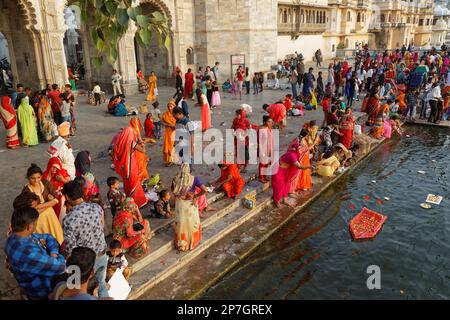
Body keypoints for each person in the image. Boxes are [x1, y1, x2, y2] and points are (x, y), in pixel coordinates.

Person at [5, 207, 65, 300]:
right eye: (35, 224)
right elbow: (61, 266)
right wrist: (55, 255)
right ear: (29, 227)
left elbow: (48, 237)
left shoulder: (14, 237)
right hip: (41, 293)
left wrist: (53, 253)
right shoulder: (29, 254)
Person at [62, 181, 109, 298]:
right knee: (102, 283)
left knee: (79, 291)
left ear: (67, 197)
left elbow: (70, 249)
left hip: (85, 263)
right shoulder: (97, 208)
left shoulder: (68, 219)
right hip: (102, 254)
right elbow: (102, 228)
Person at [20, 164, 64, 244]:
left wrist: (40, 206)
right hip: (38, 219)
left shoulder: (45, 183)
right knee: (42, 241)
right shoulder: (26, 190)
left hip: (50, 216)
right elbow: (31, 209)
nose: (36, 181)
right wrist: (50, 203)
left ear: (41, 176)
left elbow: (56, 197)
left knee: (56, 237)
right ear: (28, 178)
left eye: (38, 178)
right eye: (33, 178)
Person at [113, 119, 148, 208]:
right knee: (134, 183)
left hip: (123, 167)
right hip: (131, 166)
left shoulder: (120, 143)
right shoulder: (131, 142)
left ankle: (129, 200)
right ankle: (137, 202)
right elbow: (143, 150)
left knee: (127, 183)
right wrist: (142, 143)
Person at [171, 164, 202, 251]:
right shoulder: (194, 179)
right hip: (190, 205)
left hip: (180, 205)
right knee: (192, 224)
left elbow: (174, 191)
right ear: (189, 170)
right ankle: (191, 243)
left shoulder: (175, 178)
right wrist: (196, 196)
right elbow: (205, 190)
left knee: (181, 224)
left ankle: (181, 244)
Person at [271, 143, 311, 208]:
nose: (301, 150)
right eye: (300, 149)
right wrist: (309, 166)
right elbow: (299, 166)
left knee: (286, 185)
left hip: (286, 171)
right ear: (297, 149)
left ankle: (285, 200)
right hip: (279, 171)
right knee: (279, 186)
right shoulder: (292, 155)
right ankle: (277, 201)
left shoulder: (294, 153)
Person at [258, 115, 274, 183]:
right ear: (264, 122)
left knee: (267, 163)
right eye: (269, 122)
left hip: (269, 148)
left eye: (271, 122)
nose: (270, 123)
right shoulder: (261, 129)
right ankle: (261, 177)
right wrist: (261, 151)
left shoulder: (268, 128)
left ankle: (264, 176)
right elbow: (259, 142)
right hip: (263, 149)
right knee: (262, 164)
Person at [162, 100, 177, 166]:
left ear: (174, 106)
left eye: (171, 106)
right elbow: (162, 121)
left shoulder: (176, 114)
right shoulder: (165, 114)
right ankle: (169, 160)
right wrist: (167, 125)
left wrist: (174, 126)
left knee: (174, 146)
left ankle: (174, 159)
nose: (169, 108)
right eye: (168, 106)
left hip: (175, 132)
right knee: (168, 146)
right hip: (168, 132)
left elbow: (180, 123)